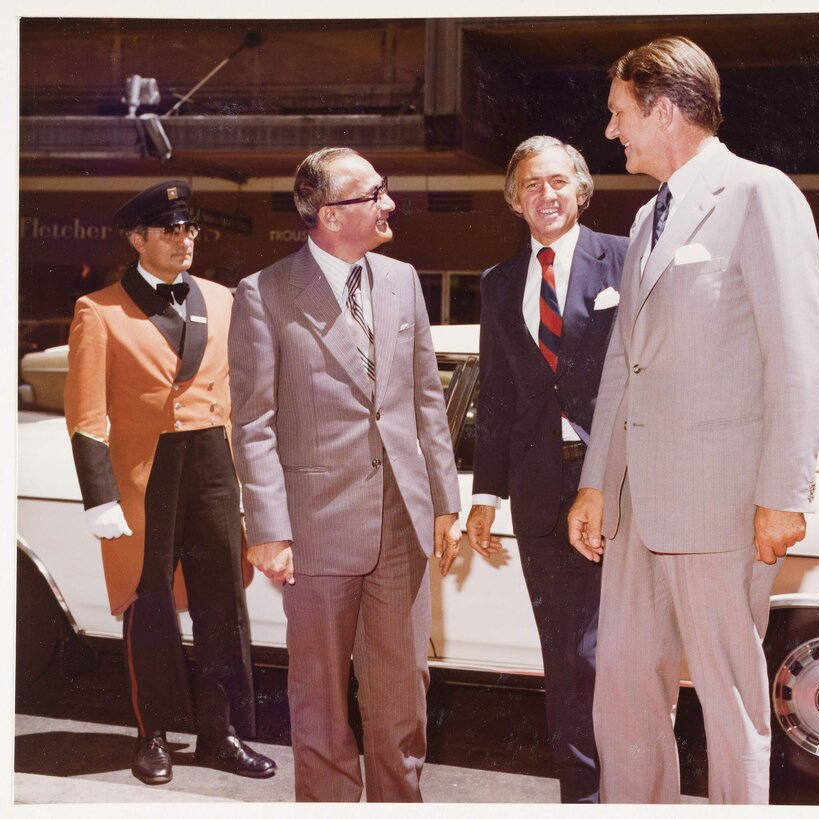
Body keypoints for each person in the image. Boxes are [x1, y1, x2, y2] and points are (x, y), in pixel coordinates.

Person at [567, 36, 819, 804]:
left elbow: (798, 355)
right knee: (623, 693)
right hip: (636, 507)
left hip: (722, 504)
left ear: (664, 110)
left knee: (730, 703)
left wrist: (784, 494)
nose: (611, 130)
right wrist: (596, 483)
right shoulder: (647, 218)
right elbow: (626, 364)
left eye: (619, 113)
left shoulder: (758, 194)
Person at [228, 147, 462, 802]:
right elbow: (253, 422)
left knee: (402, 697)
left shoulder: (402, 280)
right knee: (322, 702)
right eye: (374, 194)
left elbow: (425, 399)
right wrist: (268, 529)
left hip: (401, 523)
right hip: (315, 530)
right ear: (330, 215)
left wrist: (445, 502)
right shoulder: (265, 293)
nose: (390, 204)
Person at [64, 180, 275, 786]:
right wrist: (100, 496)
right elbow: (85, 416)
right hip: (145, 473)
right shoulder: (99, 310)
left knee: (223, 603)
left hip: (214, 464)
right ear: (138, 240)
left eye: (189, 228)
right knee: (149, 602)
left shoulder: (223, 299)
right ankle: (152, 734)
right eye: (170, 230)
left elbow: (244, 395)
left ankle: (219, 734)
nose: (185, 240)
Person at [466, 135, 627, 803]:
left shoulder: (626, 259)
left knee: (605, 647)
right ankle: (581, 793)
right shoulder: (499, 283)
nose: (546, 194)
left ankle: (628, 783)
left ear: (581, 191)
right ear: (514, 200)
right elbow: (496, 396)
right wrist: (485, 495)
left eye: (558, 181)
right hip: (537, 489)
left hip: (613, 480)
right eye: (531, 184)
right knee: (562, 651)